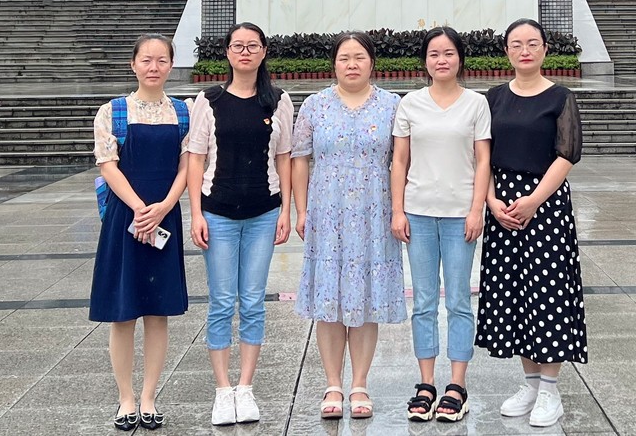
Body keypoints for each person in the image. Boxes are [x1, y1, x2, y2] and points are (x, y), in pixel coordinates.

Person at [474, 18, 587, 428]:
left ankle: (551, 390)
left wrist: (534, 201)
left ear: (544, 50)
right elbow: (482, 155)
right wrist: (491, 201)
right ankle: (530, 384)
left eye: (532, 43)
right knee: (514, 292)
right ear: (506, 51)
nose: (525, 50)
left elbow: (567, 154)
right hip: (502, 205)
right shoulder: (493, 98)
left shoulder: (560, 97)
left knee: (548, 292)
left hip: (546, 206)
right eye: (517, 44)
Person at [292, 31, 406, 420]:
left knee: (365, 298)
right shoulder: (315, 105)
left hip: (375, 212)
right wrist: (302, 211)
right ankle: (332, 384)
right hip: (327, 212)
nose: (352, 64)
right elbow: (300, 159)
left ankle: (359, 384)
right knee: (330, 300)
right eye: (344, 58)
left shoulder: (391, 105)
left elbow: (402, 160)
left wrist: (399, 209)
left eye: (359, 57)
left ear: (372, 63)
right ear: (334, 64)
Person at [186, 22, 293, 426]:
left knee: (251, 301)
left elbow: (284, 157)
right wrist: (196, 213)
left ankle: (245, 388)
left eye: (252, 45)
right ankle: (222, 390)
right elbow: (196, 158)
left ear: (264, 51)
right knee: (221, 302)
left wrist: (286, 210)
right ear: (228, 53)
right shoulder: (209, 100)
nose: (245, 52)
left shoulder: (278, 101)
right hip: (218, 213)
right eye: (237, 46)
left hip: (263, 213)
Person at [89, 33, 192, 432]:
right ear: (133, 64)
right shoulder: (112, 111)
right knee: (123, 312)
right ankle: (126, 399)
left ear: (171, 65)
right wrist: (138, 207)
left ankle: (149, 397)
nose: (154, 67)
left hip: (164, 216)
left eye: (161, 60)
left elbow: (188, 165)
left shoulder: (183, 111)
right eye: (146, 60)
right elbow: (108, 165)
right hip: (125, 219)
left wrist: (164, 206)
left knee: (157, 310)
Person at [391, 26, 491, 423]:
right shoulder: (410, 104)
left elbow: (483, 160)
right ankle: (426, 383)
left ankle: (457, 386)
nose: (442, 60)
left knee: (459, 301)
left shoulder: (476, 104)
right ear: (425, 61)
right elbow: (399, 161)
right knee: (424, 301)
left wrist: (477, 209)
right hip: (418, 212)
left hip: (459, 214)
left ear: (460, 58)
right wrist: (398, 210)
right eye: (434, 54)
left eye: (449, 53)